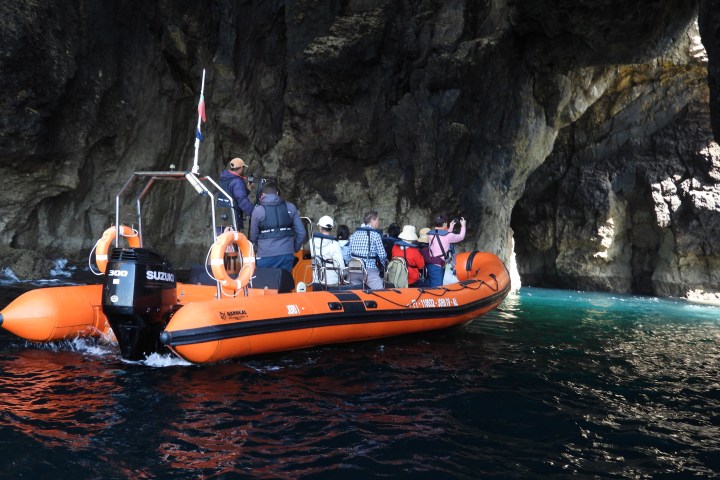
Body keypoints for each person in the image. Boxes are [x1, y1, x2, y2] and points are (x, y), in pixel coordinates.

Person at [249, 182, 306, 273]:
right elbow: (302, 233)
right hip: (286, 254)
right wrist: (293, 248)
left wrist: (260, 248)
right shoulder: (290, 207)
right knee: (284, 284)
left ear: (263, 194)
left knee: (264, 285)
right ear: (277, 193)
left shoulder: (258, 211)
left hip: (265, 254)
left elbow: (253, 236)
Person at [346, 210, 387, 290]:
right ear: (373, 220)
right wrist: (384, 265)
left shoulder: (354, 234)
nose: (379, 222)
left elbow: (348, 255)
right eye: (378, 220)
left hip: (353, 270)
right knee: (381, 292)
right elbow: (382, 255)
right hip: (369, 271)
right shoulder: (375, 235)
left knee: (355, 294)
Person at [426, 213, 466, 287]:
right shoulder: (448, 236)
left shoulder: (430, 234)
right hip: (438, 265)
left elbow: (442, 236)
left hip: (429, 263)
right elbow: (461, 237)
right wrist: (463, 225)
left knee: (429, 286)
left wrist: (450, 227)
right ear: (444, 223)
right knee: (436, 289)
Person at [218, 157, 255, 230]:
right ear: (241, 168)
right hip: (233, 218)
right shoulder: (237, 181)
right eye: (243, 167)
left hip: (221, 217)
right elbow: (242, 201)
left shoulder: (224, 178)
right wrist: (254, 212)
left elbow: (232, 195)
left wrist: (247, 190)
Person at [311, 215, 345, 285]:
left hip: (315, 279)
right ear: (331, 228)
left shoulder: (311, 242)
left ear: (320, 227)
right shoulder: (335, 244)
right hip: (331, 281)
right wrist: (342, 276)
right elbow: (340, 265)